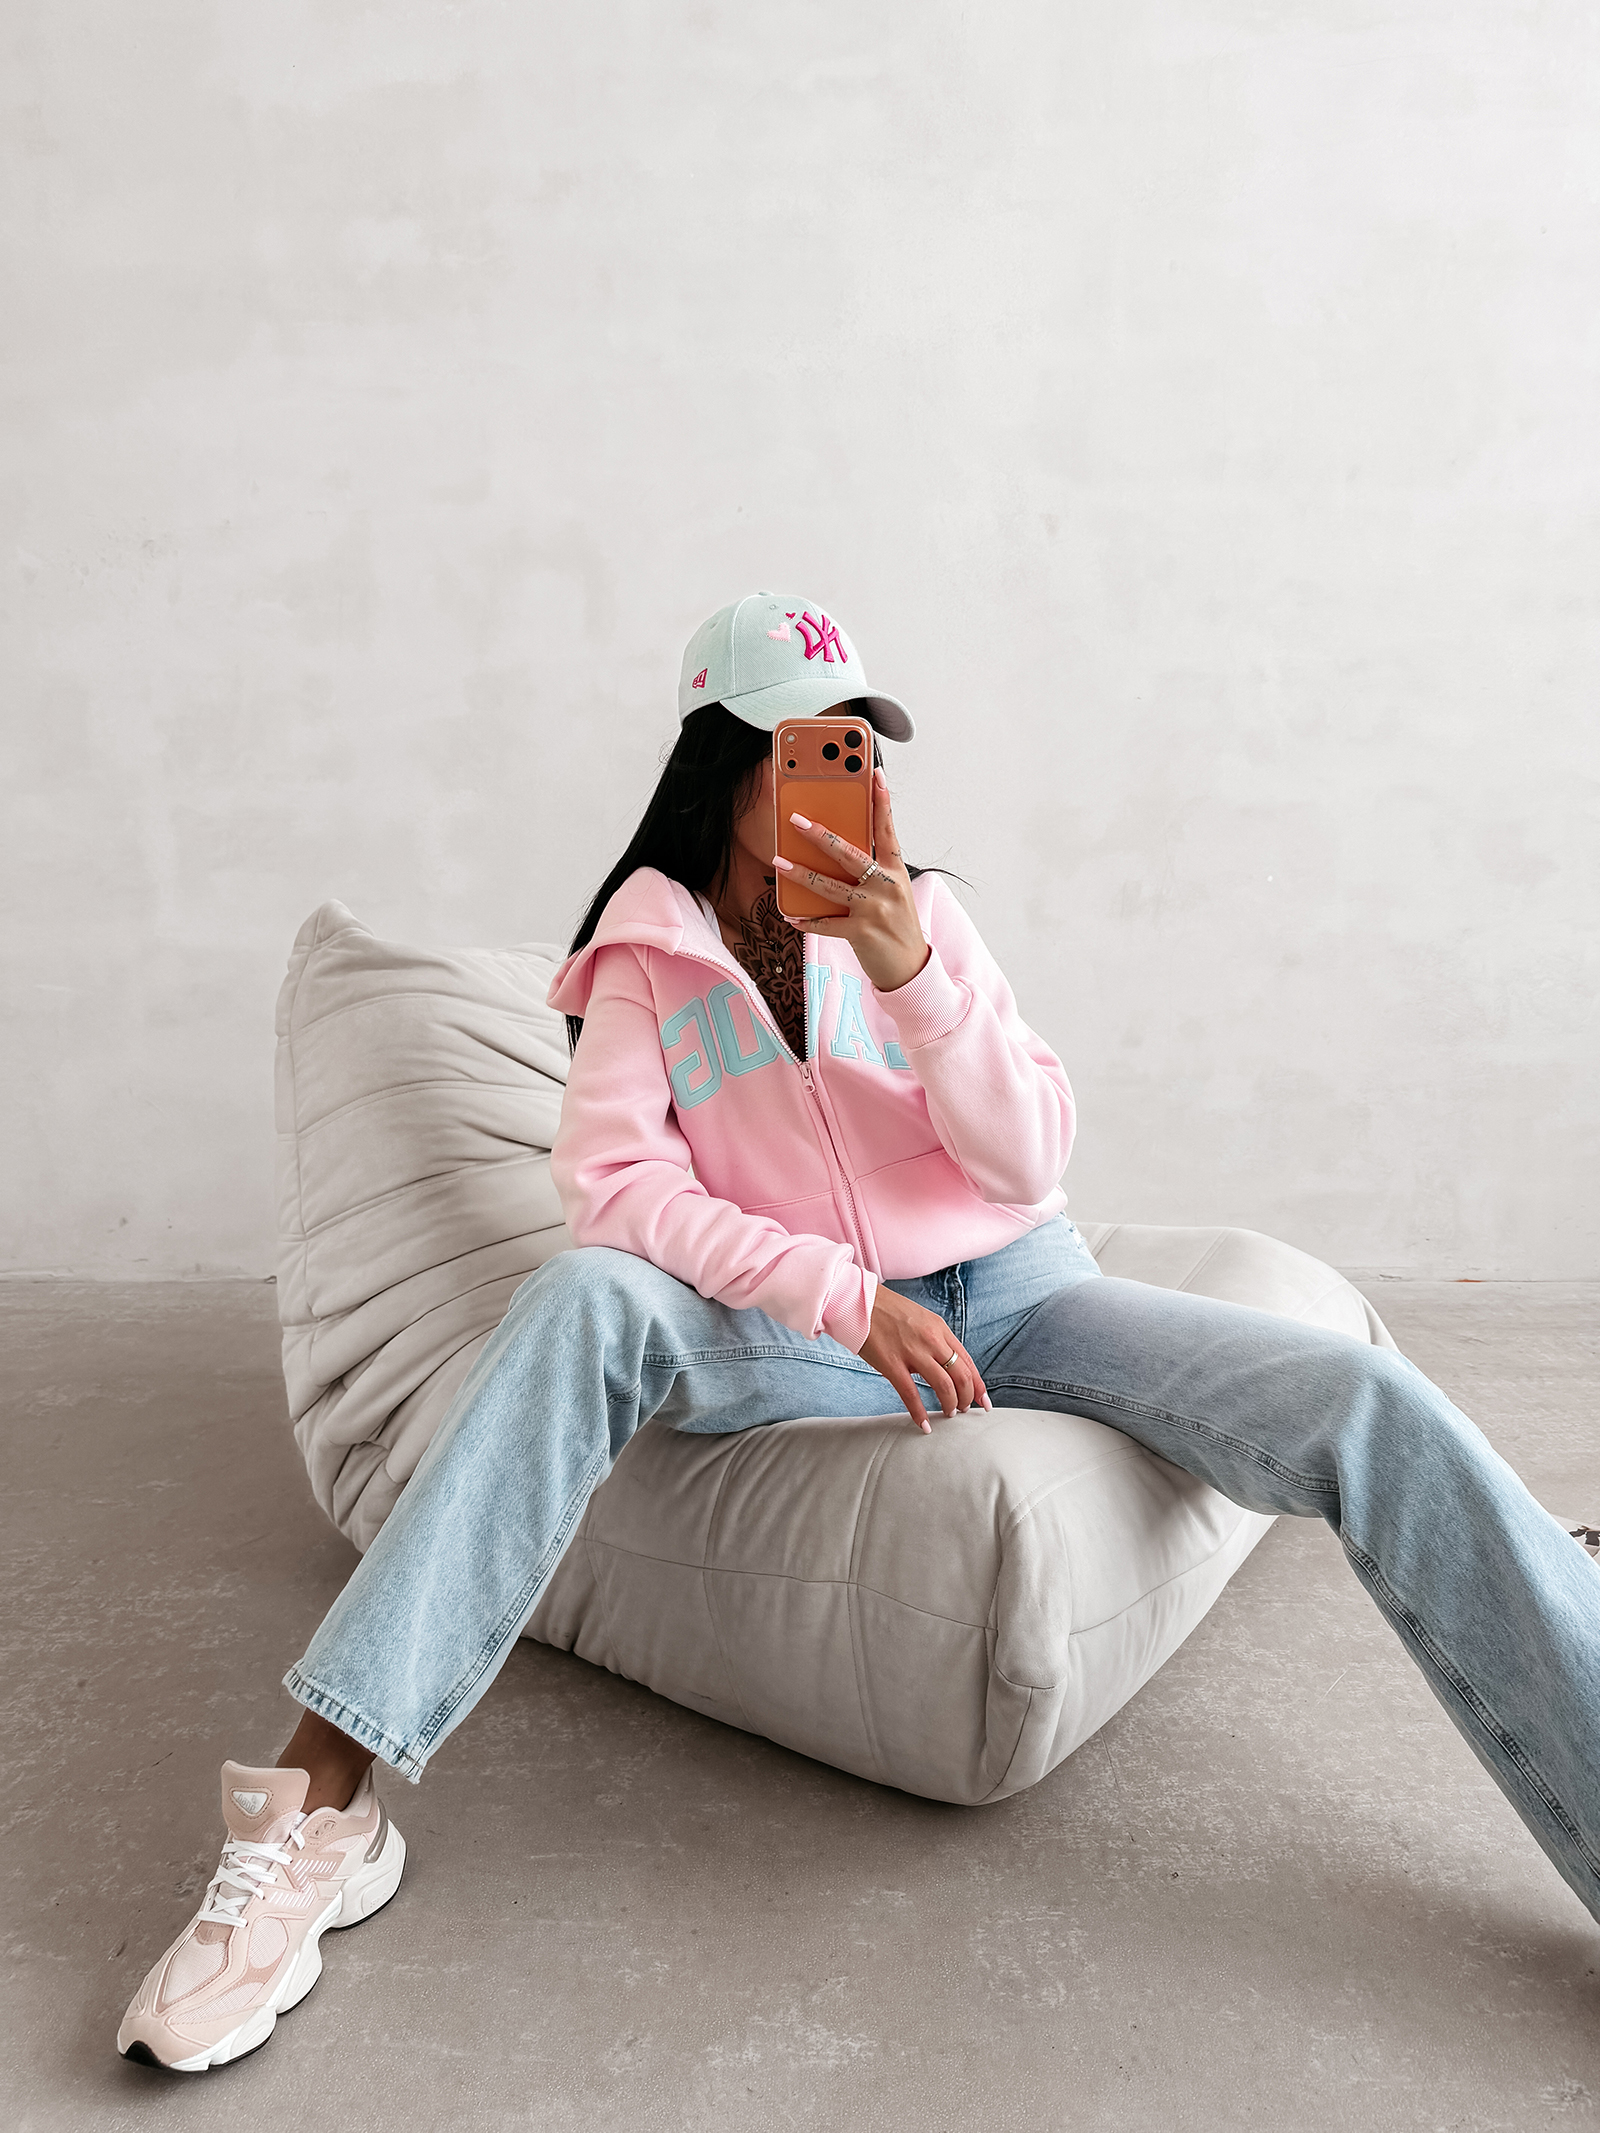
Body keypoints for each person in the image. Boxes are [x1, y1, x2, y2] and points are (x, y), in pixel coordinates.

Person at [119, 592, 1600, 2072]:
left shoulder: (924, 917)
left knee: (1358, 1397)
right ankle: (323, 1802)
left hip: (1025, 1292)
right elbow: (617, 1191)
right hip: (804, 1330)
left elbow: (1029, 1159)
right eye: (811, 745)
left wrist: (917, 978)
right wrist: (838, 1296)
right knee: (581, 1296)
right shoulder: (647, 956)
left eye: (864, 743)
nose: (855, 775)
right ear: (728, 764)